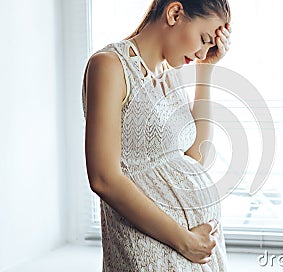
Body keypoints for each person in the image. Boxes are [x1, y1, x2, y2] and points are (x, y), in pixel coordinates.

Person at [81, 0, 232, 271]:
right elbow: (103, 178)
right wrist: (184, 240)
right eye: (203, 39)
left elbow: (197, 156)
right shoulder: (110, 66)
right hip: (152, 253)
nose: (201, 53)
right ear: (175, 13)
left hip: (194, 254)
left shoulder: (169, 76)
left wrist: (206, 69)